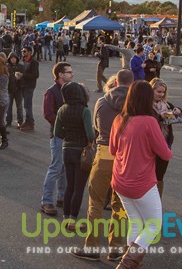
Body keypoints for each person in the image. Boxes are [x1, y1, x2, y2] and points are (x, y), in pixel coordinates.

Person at [72, 69, 133, 262]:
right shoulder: (136, 105)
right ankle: (116, 247)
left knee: (96, 202)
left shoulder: (102, 102)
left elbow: (96, 128)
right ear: (132, 85)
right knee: (120, 204)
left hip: (105, 153)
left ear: (115, 83)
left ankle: (91, 246)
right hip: (126, 158)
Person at [110, 81, 172, 269]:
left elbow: (113, 150)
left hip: (120, 179)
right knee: (154, 225)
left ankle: (133, 264)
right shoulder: (149, 122)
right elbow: (165, 153)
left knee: (136, 222)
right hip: (141, 182)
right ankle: (126, 265)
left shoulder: (119, 119)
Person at [54, 82, 94, 231]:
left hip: (67, 149)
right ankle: (73, 219)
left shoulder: (62, 110)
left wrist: (68, 135)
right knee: (79, 187)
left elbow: (57, 133)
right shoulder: (85, 111)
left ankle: (66, 218)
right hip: (81, 151)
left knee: (69, 185)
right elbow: (90, 135)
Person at [40, 62, 74, 216]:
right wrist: (63, 125)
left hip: (69, 136)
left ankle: (62, 196)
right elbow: (48, 113)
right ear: (61, 74)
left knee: (65, 168)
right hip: (58, 135)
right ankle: (46, 201)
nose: (72, 74)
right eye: (69, 72)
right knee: (56, 167)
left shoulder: (70, 90)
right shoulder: (52, 92)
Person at [150, 78, 182, 197]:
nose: (161, 94)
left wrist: (179, 111)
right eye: (158, 92)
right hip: (151, 145)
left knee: (160, 174)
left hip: (165, 143)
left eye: (163, 92)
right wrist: (160, 117)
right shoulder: (147, 106)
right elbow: (149, 122)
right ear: (152, 90)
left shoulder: (167, 105)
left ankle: (157, 198)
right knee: (149, 174)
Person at [19, 46, 39, 131]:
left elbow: (36, 75)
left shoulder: (33, 62)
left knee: (28, 105)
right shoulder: (25, 60)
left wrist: (23, 75)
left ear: (29, 52)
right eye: (22, 51)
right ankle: (27, 121)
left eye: (25, 51)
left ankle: (30, 123)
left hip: (29, 85)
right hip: (24, 85)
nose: (23, 53)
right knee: (26, 105)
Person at [6, 52, 24, 128]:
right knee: (9, 107)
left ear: (17, 59)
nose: (13, 59)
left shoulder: (21, 66)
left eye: (14, 58)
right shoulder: (7, 67)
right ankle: (8, 121)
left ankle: (20, 121)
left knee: (19, 107)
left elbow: (25, 77)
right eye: (11, 58)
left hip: (19, 89)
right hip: (9, 90)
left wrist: (21, 77)